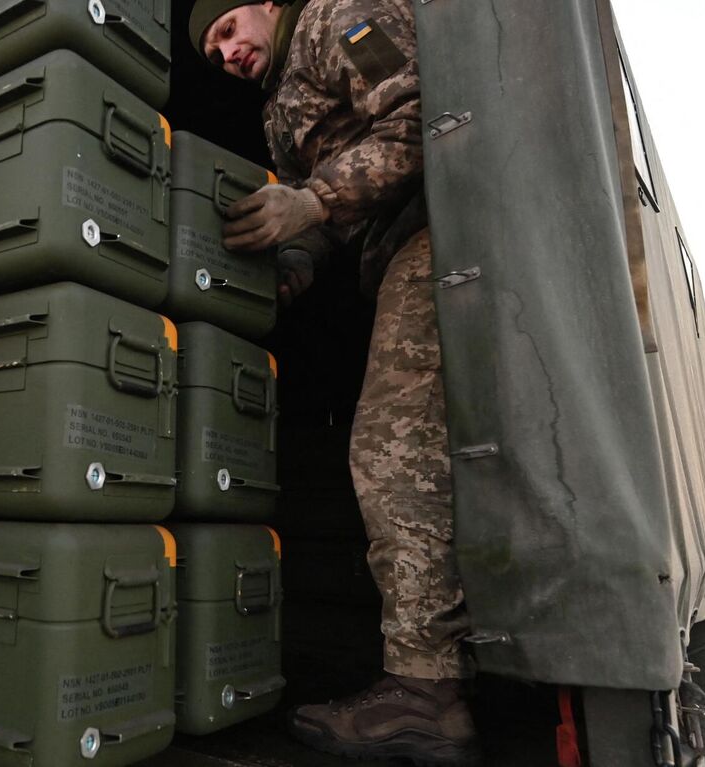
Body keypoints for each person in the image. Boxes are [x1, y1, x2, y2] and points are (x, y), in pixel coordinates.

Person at [189, 0, 474, 762]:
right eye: (213, 53)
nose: (225, 55)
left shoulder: (338, 21)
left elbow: (423, 116)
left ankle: (425, 690)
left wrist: (310, 199)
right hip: (393, 249)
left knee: (390, 451)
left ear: (266, 5)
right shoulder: (280, 109)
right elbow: (326, 219)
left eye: (226, 31)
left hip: (442, 229)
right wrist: (296, 258)